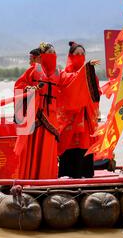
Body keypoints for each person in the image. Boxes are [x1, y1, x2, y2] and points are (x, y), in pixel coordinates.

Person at [14, 42, 100, 180]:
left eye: (54, 53)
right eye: (49, 53)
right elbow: (19, 86)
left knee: (48, 149)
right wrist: (30, 90)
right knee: (33, 148)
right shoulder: (33, 71)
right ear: (42, 56)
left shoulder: (58, 74)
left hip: (52, 118)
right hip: (35, 115)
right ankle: (30, 176)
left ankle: (47, 176)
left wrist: (87, 68)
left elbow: (73, 82)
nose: (52, 56)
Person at [57, 41, 101, 178]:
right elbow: (70, 89)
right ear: (70, 56)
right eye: (77, 54)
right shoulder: (64, 75)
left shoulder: (90, 74)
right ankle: (67, 175)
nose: (80, 56)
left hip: (86, 117)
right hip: (70, 120)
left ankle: (87, 175)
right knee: (70, 147)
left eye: (82, 54)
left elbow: (96, 93)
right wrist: (87, 68)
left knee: (85, 146)